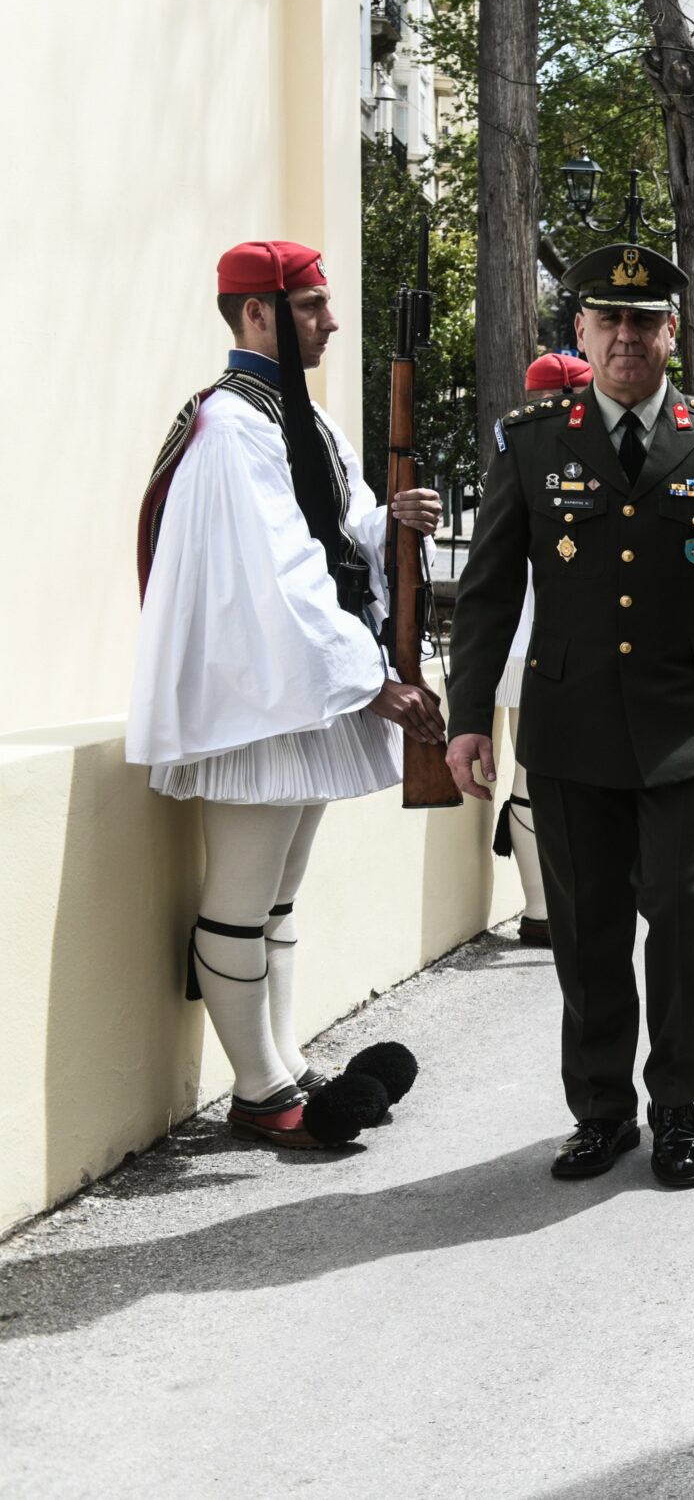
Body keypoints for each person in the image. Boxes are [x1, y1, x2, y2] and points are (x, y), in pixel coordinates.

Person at [445, 242, 694, 1190]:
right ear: (582, 331)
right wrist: (467, 715)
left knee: (682, 908)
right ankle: (601, 1109)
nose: (627, 337)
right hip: (571, 724)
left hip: (687, 720)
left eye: (645, 321)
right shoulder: (530, 441)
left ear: (672, 333)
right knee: (587, 921)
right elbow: (488, 592)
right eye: (609, 319)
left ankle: (677, 1102)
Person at [130, 240, 437, 1150]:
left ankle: (285, 1061)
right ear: (257, 313)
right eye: (311, 306)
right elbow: (282, 573)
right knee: (241, 894)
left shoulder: (298, 415)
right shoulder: (231, 425)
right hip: (254, 695)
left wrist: (390, 522)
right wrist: (371, 681)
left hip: (298, 690)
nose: (331, 322)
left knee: (279, 896)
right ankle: (261, 1091)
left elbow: (336, 532)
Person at [492, 350, 594, 947]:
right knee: (546, 780)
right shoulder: (584, 452)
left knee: (532, 776)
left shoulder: (515, 448)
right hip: (553, 641)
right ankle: (545, 910)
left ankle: (542, 909)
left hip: (522, 640)